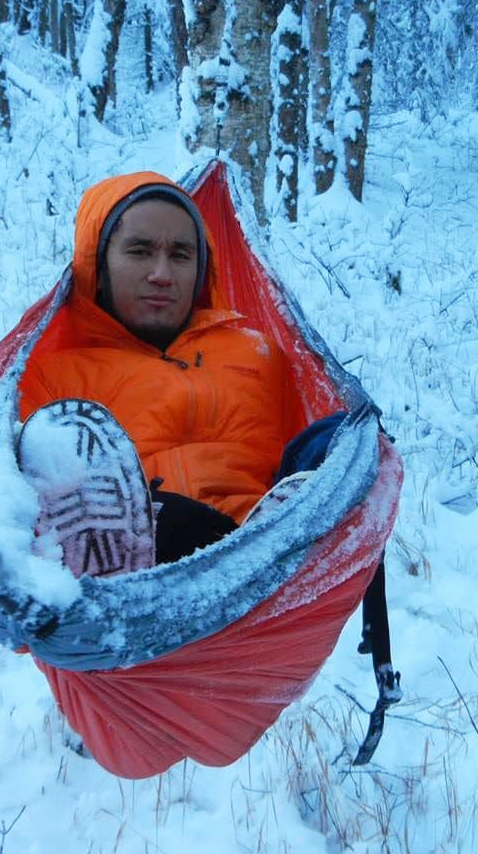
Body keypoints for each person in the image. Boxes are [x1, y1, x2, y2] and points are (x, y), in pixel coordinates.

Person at [16, 170, 332, 576]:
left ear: (201, 269)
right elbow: (24, 547)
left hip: (262, 551)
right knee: (172, 520)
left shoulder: (258, 354)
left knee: (335, 439)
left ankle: (263, 550)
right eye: (140, 251)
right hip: (132, 570)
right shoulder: (48, 377)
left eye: (181, 255)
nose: (162, 274)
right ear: (98, 263)